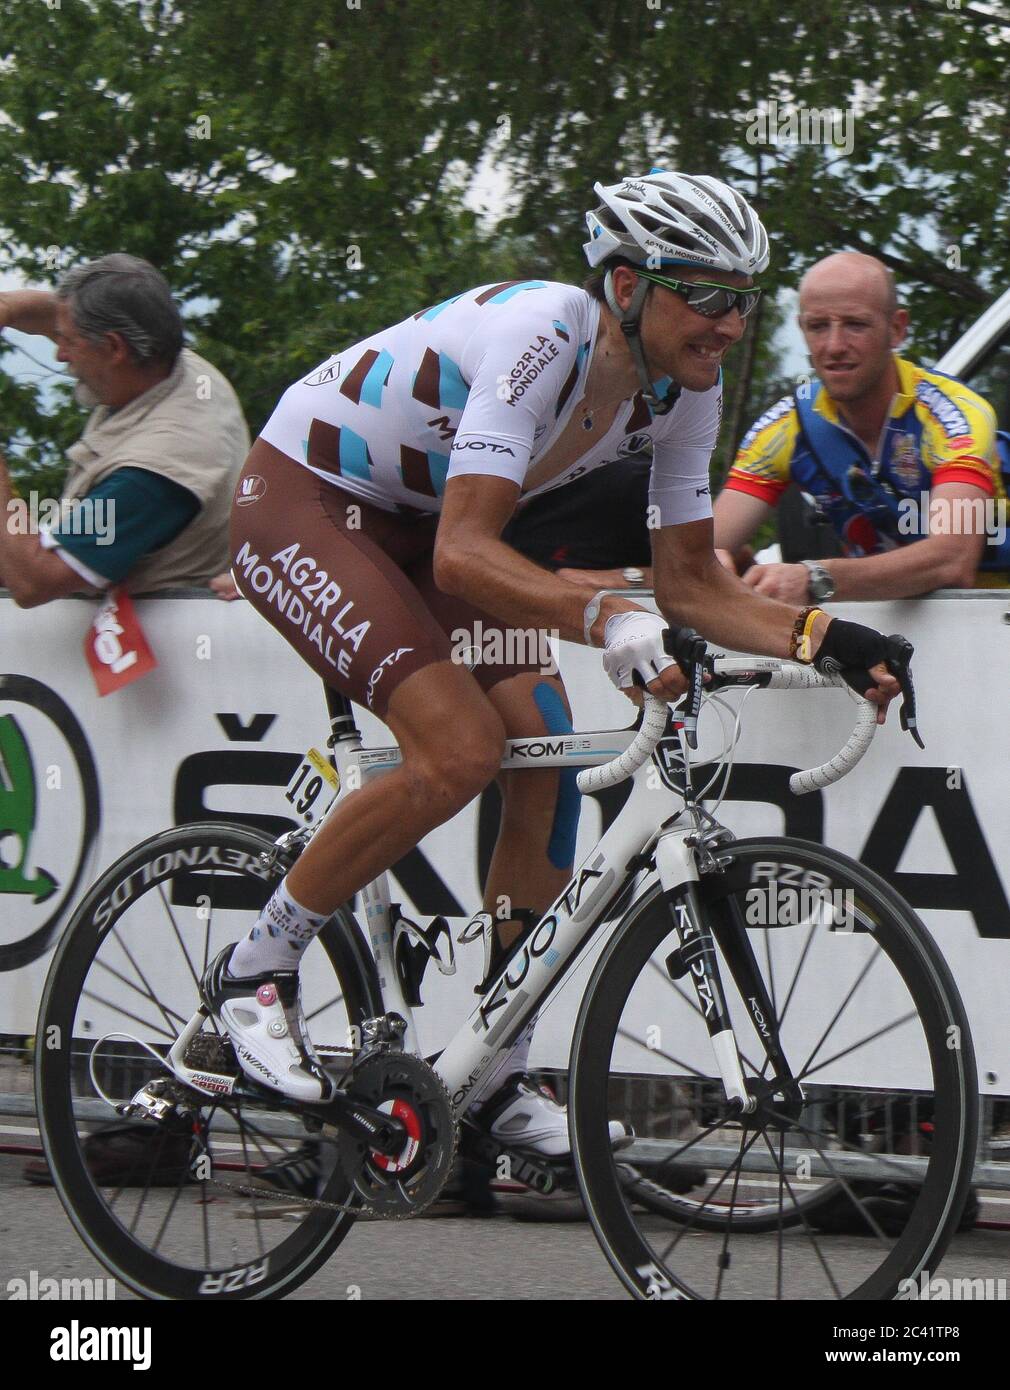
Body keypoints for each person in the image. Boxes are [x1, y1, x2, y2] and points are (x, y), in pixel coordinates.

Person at [205, 170, 904, 1160]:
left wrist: (831, 642)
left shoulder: (679, 395)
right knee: (458, 748)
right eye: (704, 295)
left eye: (743, 301)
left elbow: (691, 585)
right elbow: (462, 555)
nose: (728, 325)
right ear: (626, 286)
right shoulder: (544, 337)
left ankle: (492, 1070)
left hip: (416, 525)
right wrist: (602, 616)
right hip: (309, 503)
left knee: (541, 756)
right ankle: (255, 970)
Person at [713, 251, 1008, 602]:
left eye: (855, 324)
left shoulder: (953, 414)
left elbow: (952, 560)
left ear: (897, 329)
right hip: (890, 631)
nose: (835, 346)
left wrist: (813, 577)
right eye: (818, 326)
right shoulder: (784, 427)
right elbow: (704, 550)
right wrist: (732, 564)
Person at [0, 255, 249, 606]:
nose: (59, 354)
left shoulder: (157, 471)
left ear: (114, 347)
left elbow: (33, 582)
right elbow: (61, 316)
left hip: (163, 656)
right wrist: (6, 306)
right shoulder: (167, 363)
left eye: (67, 341)